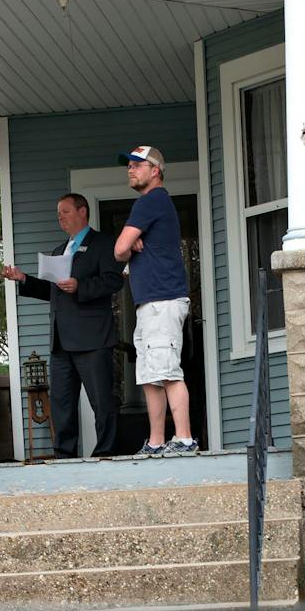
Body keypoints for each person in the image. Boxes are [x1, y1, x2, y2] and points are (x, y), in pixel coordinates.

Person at [0, 193, 120, 457]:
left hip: (93, 338)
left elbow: (113, 281)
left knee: (102, 402)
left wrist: (80, 286)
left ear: (82, 211)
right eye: (58, 213)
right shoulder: (59, 251)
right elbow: (52, 291)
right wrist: (23, 279)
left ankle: (107, 455)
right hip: (61, 341)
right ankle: (65, 456)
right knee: (62, 403)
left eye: (65, 211)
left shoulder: (103, 244)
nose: (60, 217)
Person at [113, 145, 195, 457]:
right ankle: (157, 441)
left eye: (137, 165)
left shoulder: (151, 201)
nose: (130, 170)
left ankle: (184, 438)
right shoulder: (152, 203)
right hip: (150, 303)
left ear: (155, 170)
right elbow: (124, 248)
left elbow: (119, 249)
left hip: (162, 300)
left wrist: (129, 244)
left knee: (167, 371)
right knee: (150, 375)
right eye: (129, 165)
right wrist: (132, 244)